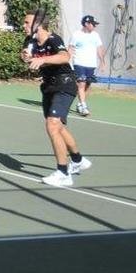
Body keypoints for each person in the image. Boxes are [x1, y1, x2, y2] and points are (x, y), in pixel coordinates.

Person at [22, 10, 91, 187]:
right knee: (58, 127)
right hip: (48, 87)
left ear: (37, 25)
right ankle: (78, 160)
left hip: (65, 84)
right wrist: (25, 57)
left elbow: (64, 56)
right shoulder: (30, 41)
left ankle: (63, 173)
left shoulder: (53, 39)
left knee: (52, 125)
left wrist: (43, 59)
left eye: (26, 23)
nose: (24, 26)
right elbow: (25, 56)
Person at [69, 14, 105, 117]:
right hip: (79, 64)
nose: (94, 26)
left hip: (91, 65)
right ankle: (84, 106)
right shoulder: (76, 35)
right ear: (86, 24)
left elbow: (99, 48)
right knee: (81, 84)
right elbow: (70, 48)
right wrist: (67, 62)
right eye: (93, 24)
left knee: (87, 85)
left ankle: (80, 103)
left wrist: (102, 62)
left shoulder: (95, 35)